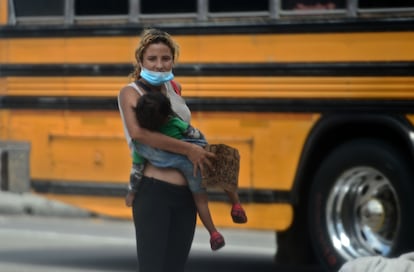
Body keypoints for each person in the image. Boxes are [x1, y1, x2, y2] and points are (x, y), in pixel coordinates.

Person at [117, 28, 216, 272]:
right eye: (152, 59)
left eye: (166, 58)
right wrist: (188, 150)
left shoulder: (175, 88)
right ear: (140, 62)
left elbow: (181, 127)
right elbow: (140, 134)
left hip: (186, 196)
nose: (160, 65)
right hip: (154, 193)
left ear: (173, 60)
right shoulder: (130, 92)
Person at [125, 91, 248, 251]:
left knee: (200, 202)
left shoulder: (141, 145)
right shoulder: (175, 123)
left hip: (175, 169)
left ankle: (214, 233)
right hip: (194, 163)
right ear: (166, 115)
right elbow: (197, 136)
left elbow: (137, 170)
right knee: (223, 160)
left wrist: (132, 192)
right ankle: (236, 204)